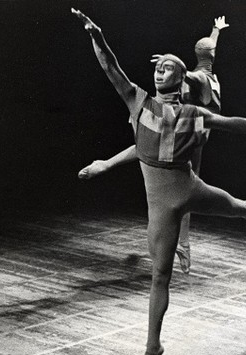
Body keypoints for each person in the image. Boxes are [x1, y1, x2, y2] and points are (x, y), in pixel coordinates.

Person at [71, 8, 246, 355]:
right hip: (164, 205)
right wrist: (96, 36)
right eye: (157, 67)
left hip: (189, 187)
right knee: (159, 276)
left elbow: (231, 123)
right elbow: (111, 68)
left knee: (241, 208)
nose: (159, 71)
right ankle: (152, 346)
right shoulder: (139, 103)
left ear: (182, 78)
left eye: (167, 68)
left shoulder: (194, 111)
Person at [78, 16, 230, 274]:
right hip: (192, 125)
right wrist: (216, 30)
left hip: (195, 128)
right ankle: (182, 245)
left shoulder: (199, 77)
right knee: (162, 161)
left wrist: (173, 61)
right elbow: (207, 51)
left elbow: (194, 71)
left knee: (180, 180)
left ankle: (182, 245)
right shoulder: (206, 67)